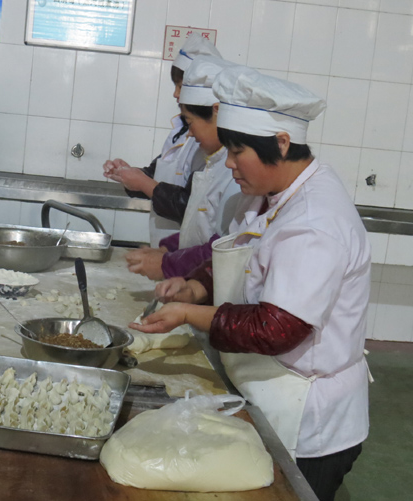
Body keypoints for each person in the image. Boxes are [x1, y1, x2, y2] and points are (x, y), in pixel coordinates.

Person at [131, 66, 370, 501]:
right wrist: (195, 286)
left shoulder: (315, 222)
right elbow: (238, 251)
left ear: (282, 143)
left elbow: (277, 328)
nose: (229, 163)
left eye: (238, 151)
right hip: (264, 389)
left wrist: (188, 314)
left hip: (307, 419)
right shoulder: (265, 195)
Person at [124, 55, 241, 281]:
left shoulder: (235, 174)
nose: (189, 133)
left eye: (190, 122)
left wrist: (168, 263)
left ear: (217, 112)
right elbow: (200, 228)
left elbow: (224, 246)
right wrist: (167, 249)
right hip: (193, 283)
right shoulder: (214, 162)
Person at [103, 35, 222, 247]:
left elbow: (191, 205)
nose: (175, 94)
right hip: (168, 248)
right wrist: (130, 174)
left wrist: (144, 183)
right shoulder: (182, 132)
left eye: (181, 86)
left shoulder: (214, 146)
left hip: (189, 250)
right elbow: (158, 172)